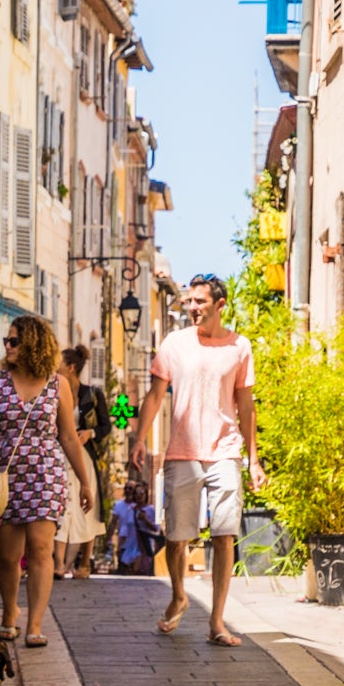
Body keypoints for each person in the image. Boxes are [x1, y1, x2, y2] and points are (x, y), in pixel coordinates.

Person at [130, 273, 263, 646]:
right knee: (177, 537)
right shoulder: (175, 343)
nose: (192, 308)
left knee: (225, 535)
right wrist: (139, 439)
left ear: (219, 305)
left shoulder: (240, 347)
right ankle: (179, 595)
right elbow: (155, 395)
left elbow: (246, 405)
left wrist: (254, 459)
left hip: (225, 451)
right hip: (182, 451)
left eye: (200, 302)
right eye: (190, 301)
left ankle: (217, 621)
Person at [0, 315, 95, 648]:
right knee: (7, 557)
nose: (8, 346)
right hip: (6, 475)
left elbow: (67, 436)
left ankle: (35, 623)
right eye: (7, 341)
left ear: (32, 344)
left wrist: (85, 481)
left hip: (46, 473)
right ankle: (9, 613)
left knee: (41, 549)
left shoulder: (57, 384)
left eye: (14, 341)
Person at [54, 345, 111, 580]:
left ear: (71, 367)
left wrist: (90, 433)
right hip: (61, 454)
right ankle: (58, 563)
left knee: (88, 508)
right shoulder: (55, 390)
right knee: (61, 504)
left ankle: (84, 563)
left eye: (58, 363)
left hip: (86, 457)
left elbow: (106, 426)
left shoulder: (93, 394)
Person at [111, 478, 162, 577]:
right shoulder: (130, 510)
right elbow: (125, 529)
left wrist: (145, 519)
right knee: (130, 577)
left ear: (146, 494)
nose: (138, 496)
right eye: (136, 493)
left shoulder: (150, 510)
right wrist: (120, 547)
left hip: (144, 549)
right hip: (129, 548)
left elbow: (157, 529)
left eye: (141, 493)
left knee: (140, 574)